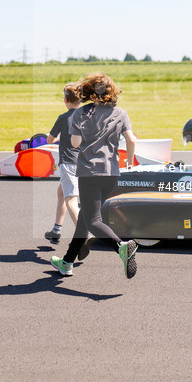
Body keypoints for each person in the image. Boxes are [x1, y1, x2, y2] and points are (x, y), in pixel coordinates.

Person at [50, 73, 139, 279]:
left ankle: (122, 247)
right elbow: (131, 140)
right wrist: (129, 160)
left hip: (89, 172)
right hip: (111, 173)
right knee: (84, 218)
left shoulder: (81, 113)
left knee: (93, 221)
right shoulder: (121, 113)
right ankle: (67, 262)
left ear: (90, 92)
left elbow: (74, 143)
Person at [43, 83, 82, 244]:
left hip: (68, 163)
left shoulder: (63, 118)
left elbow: (49, 140)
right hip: (82, 163)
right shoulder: (84, 117)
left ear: (66, 100)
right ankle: (56, 230)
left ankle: (83, 233)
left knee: (71, 199)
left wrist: (56, 138)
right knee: (61, 193)